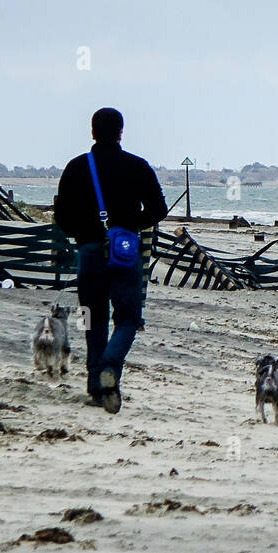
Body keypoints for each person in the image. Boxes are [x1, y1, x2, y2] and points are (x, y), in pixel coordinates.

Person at [54, 107, 168, 413]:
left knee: (94, 320)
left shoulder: (76, 167)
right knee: (129, 318)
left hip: (89, 251)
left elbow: (61, 216)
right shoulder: (138, 166)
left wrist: (85, 233)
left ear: (92, 132)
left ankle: (95, 386)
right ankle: (110, 368)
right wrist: (129, 226)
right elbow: (159, 209)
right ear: (121, 132)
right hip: (125, 252)